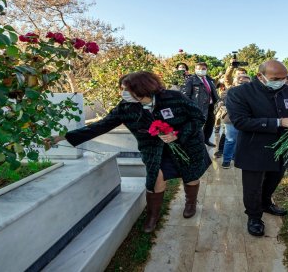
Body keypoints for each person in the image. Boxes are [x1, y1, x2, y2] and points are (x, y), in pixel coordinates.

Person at [48, 71, 210, 233]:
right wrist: (64, 137)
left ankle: (190, 203)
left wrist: (177, 134)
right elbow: (100, 126)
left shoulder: (173, 97)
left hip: (187, 145)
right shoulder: (125, 108)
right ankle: (152, 216)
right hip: (154, 150)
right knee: (155, 178)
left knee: (191, 174)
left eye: (126, 89)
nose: (122, 93)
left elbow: (198, 117)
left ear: (142, 88)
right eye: (121, 89)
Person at [226, 60, 288, 237]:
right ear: (260, 76)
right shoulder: (239, 93)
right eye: (275, 78)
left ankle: (266, 202)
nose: (281, 81)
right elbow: (240, 122)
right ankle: (254, 216)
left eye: (284, 78)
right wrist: (278, 122)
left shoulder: (287, 90)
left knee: (274, 177)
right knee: (253, 186)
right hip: (255, 147)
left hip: (282, 146)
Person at [216, 73, 251, 168]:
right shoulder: (229, 91)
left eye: (246, 82)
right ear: (235, 82)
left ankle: (235, 157)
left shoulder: (252, 92)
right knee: (230, 140)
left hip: (246, 120)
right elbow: (224, 102)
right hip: (231, 119)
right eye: (241, 82)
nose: (243, 84)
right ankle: (226, 160)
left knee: (241, 140)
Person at [182, 62, 219, 147]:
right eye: (198, 69)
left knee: (210, 124)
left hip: (210, 106)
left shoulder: (210, 79)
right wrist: (190, 107)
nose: (201, 70)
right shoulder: (190, 80)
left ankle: (206, 139)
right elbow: (186, 95)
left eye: (203, 69)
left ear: (206, 69)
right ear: (195, 69)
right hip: (198, 106)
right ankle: (199, 143)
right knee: (198, 126)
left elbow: (213, 92)